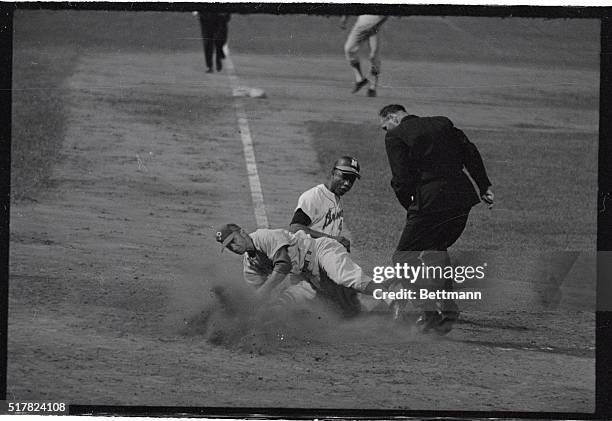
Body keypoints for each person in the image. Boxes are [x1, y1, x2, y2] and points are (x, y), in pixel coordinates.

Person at [378, 104, 494, 334]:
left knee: (402, 257)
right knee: (435, 249)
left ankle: (429, 312)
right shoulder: (443, 123)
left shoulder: (395, 135)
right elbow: (470, 152)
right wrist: (484, 185)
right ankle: (449, 308)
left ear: (392, 117)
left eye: (385, 126)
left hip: (430, 202)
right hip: (462, 197)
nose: (385, 130)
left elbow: (401, 179)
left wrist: (412, 207)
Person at [214, 223, 393, 318]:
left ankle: (389, 296)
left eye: (234, 240)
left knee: (345, 277)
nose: (234, 247)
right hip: (308, 276)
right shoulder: (250, 265)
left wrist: (263, 292)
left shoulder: (263, 237)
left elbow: (284, 265)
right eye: (229, 246)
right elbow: (259, 292)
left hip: (321, 251)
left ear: (242, 232)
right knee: (342, 312)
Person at [289, 156, 360, 252]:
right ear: (333, 172)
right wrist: (333, 239)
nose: (347, 183)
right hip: (305, 257)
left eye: (351, 180)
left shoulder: (336, 199)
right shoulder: (313, 196)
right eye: (344, 177)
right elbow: (295, 228)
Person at [341, 15, 388, 97]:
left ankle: (372, 88)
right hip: (362, 24)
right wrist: (345, 18)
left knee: (374, 56)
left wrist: (378, 24)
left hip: (375, 28)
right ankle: (359, 79)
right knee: (349, 49)